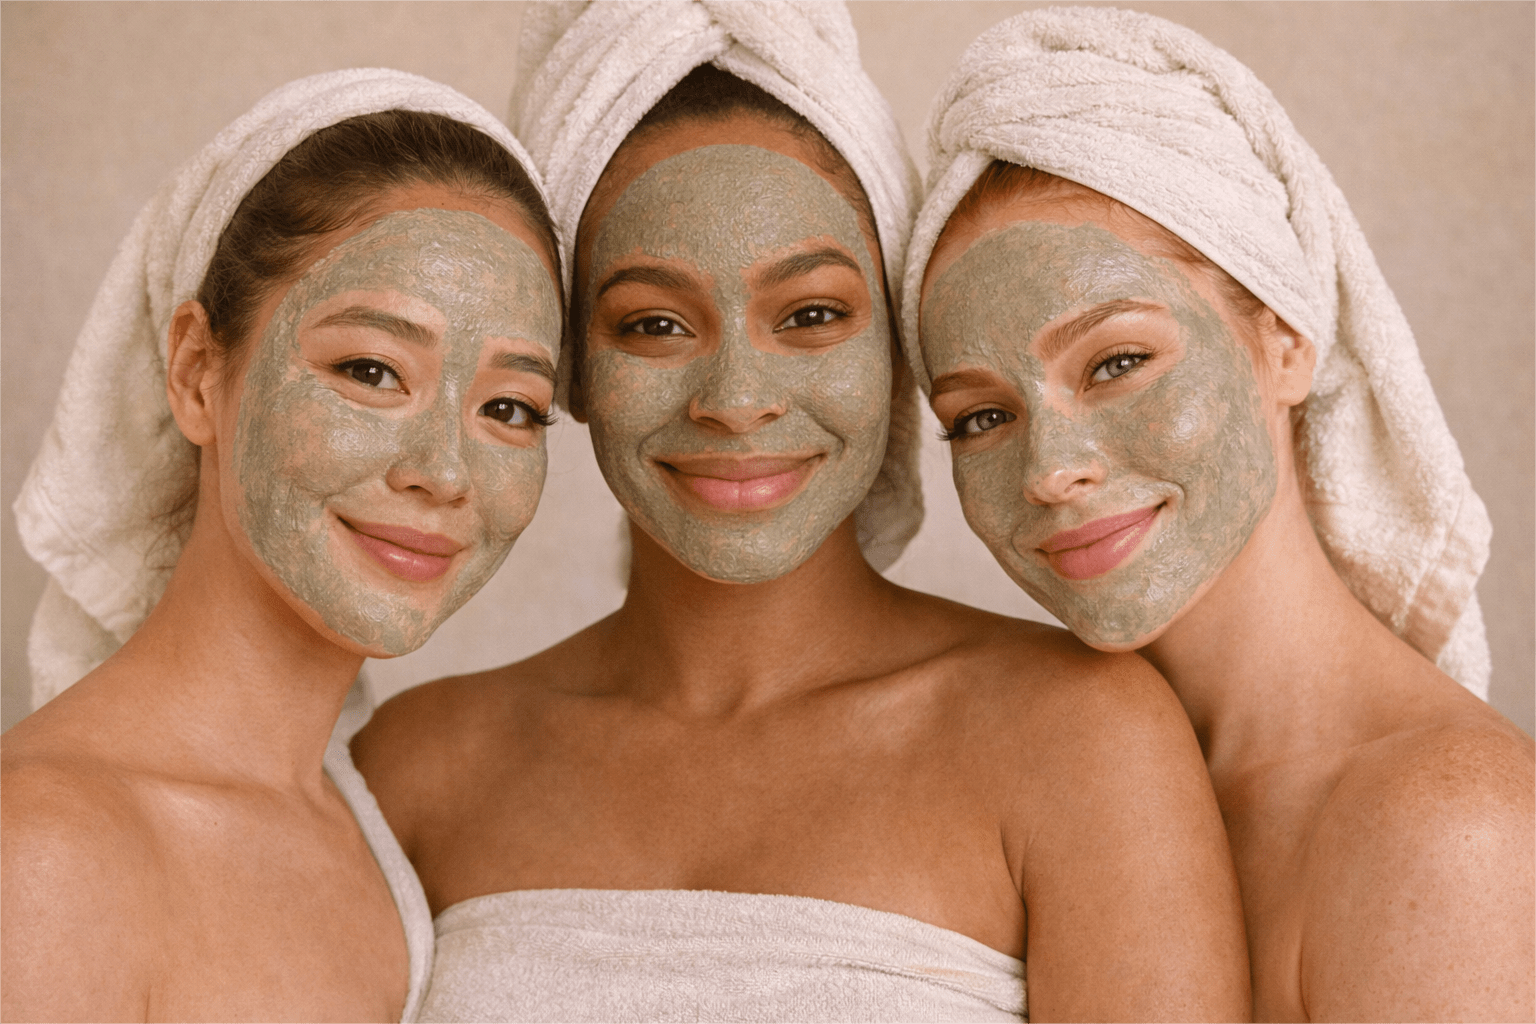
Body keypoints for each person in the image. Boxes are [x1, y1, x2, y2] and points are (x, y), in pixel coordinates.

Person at [353, 3, 1249, 1021]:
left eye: (812, 314)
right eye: (653, 322)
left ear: (897, 349)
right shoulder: (418, 767)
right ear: (571, 365)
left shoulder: (1083, 741)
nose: (737, 398)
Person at [903, 9, 1536, 1021]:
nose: (1049, 470)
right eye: (981, 417)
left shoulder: (1447, 828)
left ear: (1284, 339)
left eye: (1116, 362)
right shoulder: (1036, 791)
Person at [1, 70, 563, 1022]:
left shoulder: (369, 836)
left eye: (509, 407)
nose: (445, 471)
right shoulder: (46, 857)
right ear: (195, 373)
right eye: (373, 370)